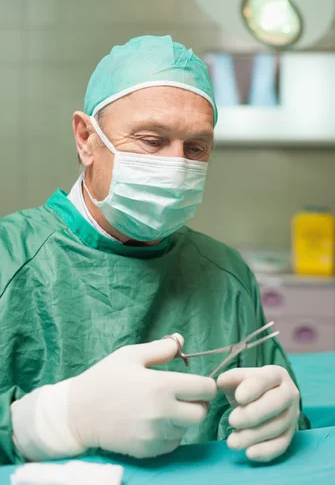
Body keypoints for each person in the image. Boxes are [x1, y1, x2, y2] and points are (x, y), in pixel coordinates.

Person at [0, 35, 309, 466]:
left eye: (196, 147)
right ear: (86, 138)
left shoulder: (225, 274)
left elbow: (271, 430)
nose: (175, 165)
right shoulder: (10, 262)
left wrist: (284, 420)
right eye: (151, 140)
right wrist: (52, 421)